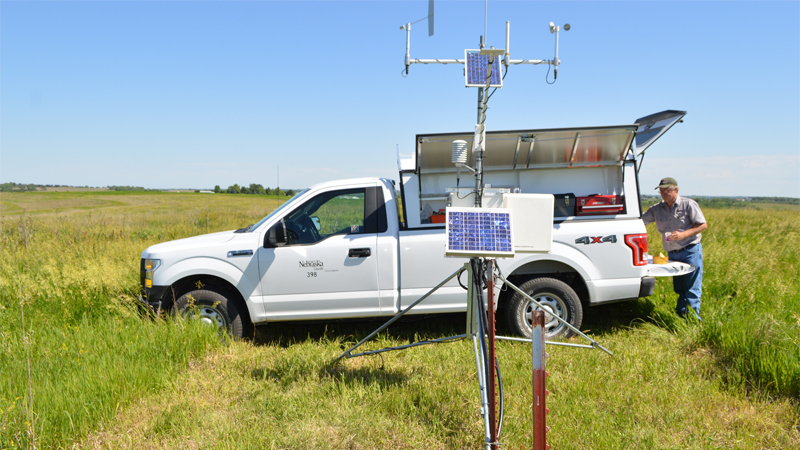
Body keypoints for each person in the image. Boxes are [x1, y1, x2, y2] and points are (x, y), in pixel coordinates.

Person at [642, 177, 708, 320]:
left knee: (692, 288)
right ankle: (681, 315)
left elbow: (702, 225)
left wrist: (683, 234)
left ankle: (693, 322)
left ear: (676, 190)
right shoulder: (657, 209)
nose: (664, 194)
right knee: (679, 288)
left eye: (667, 191)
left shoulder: (689, 204)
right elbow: (640, 221)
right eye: (661, 191)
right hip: (672, 254)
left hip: (690, 250)